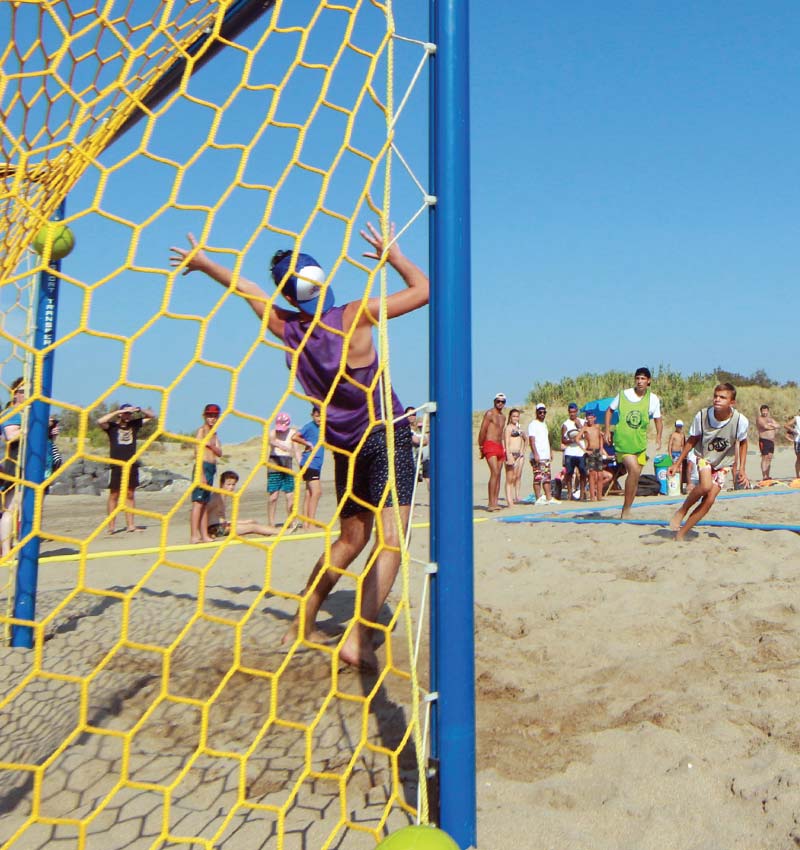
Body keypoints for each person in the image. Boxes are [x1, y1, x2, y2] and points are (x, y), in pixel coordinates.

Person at [170, 222, 428, 672]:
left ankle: (302, 622)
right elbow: (424, 290)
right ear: (322, 279)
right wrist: (395, 256)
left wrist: (206, 263)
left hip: (344, 446)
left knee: (350, 539)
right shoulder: (355, 315)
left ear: (290, 297)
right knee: (391, 541)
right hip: (386, 434)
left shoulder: (287, 328)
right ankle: (358, 639)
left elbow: (248, 288)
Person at [668, 383, 749, 541]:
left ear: (732, 403)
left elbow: (743, 442)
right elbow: (692, 440)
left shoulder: (740, 421)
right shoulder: (703, 416)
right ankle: (682, 510)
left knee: (709, 499)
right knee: (705, 486)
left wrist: (742, 469)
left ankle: (681, 533)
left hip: (724, 463)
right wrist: (677, 463)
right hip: (704, 456)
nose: (717, 400)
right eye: (716, 396)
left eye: (722, 397)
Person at [604, 367, 663, 519]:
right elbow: (609, 411)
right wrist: (607, 430)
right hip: (623, 442)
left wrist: (658, 437)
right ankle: (625, 510)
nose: (640, 381)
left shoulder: (653, 399)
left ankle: (627, 508)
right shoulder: (624, 395)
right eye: (638, 378)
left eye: (643, 378)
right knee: (634, 470)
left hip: (640, 444)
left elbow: (658, 419)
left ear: (648, 381)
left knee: (635, 476)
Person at [98, 402, 157, 534]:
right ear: (120, 414)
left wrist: (139, 409)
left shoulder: (134, 425)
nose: (128, 416)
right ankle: (111, 526)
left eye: (129, 414)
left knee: (130, 494)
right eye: (125, 413)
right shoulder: (112, 427)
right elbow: (100, 421)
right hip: (117, 464)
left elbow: (152, 416)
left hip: (131, 464)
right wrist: (116, 413)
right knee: (114, 494)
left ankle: (131, 525)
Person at [206, 470, 280, 538]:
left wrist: (243, 522)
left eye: (233, 484)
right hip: (216, 528)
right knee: (252, 527)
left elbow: (222, 519)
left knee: (251, 521)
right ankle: (280, 532)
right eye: (228, 484)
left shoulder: (223, 496)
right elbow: (204, 512)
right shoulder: (216, 497)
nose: (231, 487)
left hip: (223, 525)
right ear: (221, 484)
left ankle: (267, 531)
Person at [190, 402, 223, 543]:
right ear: (205, 416)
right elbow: (197, 452)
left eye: (214, 416)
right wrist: (201, 474)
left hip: (211, 468)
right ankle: (194, 535)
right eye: (209, 415)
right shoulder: (202, 431)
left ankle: (204, 535)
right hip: (202, 467)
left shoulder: (214, 434)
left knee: (204, 503)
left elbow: (220, 452)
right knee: (198, 503)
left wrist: (212, 446)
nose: (212, 418)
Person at [0, 378, 25, 557]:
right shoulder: (12, 412)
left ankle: (14, 545)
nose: (27, 394)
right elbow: (10, 435)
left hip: (23, 464)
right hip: (12, 464)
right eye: (23, 391)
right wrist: (29, 428)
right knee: (11, 507)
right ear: (15, 393)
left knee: (18, 508)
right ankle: (7, 550)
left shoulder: (24, 414)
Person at [292, 406, 325, 529]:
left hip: (316, 464)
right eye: (317, 416)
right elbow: (295, 436)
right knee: (317, 492)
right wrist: (307, 443)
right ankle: (311, 522)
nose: (319, 419)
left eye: (321, 416)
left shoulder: (323, 428)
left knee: (309, 493)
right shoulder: (310, 426)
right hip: (309, 462)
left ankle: (306, 523)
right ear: (312, 415)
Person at [268, 412, 300, 527]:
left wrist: (301, 463)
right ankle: (271, 523)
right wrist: (280, 445)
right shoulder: (272, 432)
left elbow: (296, 450)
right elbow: (270, 440)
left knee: (290, 494)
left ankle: (292, 520)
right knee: (273, 496)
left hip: (287, 463)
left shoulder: (293, 433)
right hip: (274, 462)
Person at [477, 393, 507, 510]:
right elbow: (483, 430)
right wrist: (481, 446)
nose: (500, 403)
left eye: (502, 401)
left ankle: (495, 502)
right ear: (494, 401)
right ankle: (490, 503)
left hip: (499, 446)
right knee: (494, 472)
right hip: (490, 444)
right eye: (498, 401)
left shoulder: (503, 417)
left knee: (498, 474)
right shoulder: (490, 414)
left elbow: (501, 433)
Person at [527, 403, 558, 504]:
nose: (542, 414)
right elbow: (531, 440)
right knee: (538, 477)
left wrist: (550, 451)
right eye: (540, 412)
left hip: (545, 456)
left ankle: (549, 497)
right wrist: (535, 454)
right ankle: (538, 498)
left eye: (544, 412)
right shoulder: (533, 424)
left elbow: (547, 439)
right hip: (538, 456)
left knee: (547, 477)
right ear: (536, 412)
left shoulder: (544, 424)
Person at [576, 411, 605, 501]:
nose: (590, 420)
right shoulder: (585, 428)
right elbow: (577, 438)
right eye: (588, 418)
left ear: (594, 418)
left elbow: (600, 437)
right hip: (590, 452)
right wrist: (584, 450)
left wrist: (601, 448)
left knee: (600, 475)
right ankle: (592, 497)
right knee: (592, 474)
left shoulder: (597, 427)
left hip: (597, 452)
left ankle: (599, 496)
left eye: (591, 418)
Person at [561, 403, 586, 501]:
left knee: (583, 472)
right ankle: (570, 493)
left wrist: (579, 427)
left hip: (580, 451)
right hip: (570, 452)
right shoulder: (565, 424)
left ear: (577, 411)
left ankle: (582, 493)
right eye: (570, 412)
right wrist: (571, 440)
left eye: (574, 412)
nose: (572, 414)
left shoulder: (582, 422)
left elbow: (586, 435)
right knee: (569, 473)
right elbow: (563, 440)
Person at [503, 408, 526, 505]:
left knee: (517, 476)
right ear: (510, 417)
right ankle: (509, 500)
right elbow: (506, 443)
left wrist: (523, 450)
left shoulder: (519, 429)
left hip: (519, 455)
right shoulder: (508, 428)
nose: (515, 418)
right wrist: (508, 455)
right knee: (510, 478)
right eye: (514, 416)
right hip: (510, 454)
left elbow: (525, 439)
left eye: (517, 416)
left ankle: (517, 496)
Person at [405, 406, 430, 492]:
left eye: (413, 414)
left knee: (430, 480)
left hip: (424, 459)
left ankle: (432, 502)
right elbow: (416, 440)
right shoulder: (405, 429)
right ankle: (411, 503)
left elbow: (427, 440)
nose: (412, 416)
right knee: (413, 484)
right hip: (413, 460)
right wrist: (421, 441)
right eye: (409, 415)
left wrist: (422, 440)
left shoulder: (420, 428)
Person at [755, 405, 779, 481]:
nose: (765, 412)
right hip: (764, 440)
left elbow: (779, 425)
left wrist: (774, 425)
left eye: (766, 411)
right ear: (761, 411)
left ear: (768, 411)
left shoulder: (770, 419)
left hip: (771, 441)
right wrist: (774, 426)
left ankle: (768, 475)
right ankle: (764, 476)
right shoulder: (760, 419)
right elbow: (765, 427)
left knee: (770, 457)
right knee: (764, 457)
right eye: (763, 411)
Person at [668, 419, 687, 491]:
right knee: (674, 468)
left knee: (681, 469)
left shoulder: (682, 435)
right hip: (674, 453)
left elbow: (683, 445)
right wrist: (670, 454)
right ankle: (673, 485)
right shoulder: (673, 435)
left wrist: (683, 454)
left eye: (680, 427)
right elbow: (670, 445)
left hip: (679, 453)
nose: (679, 428)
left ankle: (680, 486)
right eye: (678, 427)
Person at [785, 409, 800, 478]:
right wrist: (793, 430)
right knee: (799, 458)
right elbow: (786, 425)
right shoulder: (797, 418)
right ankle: (797, 476)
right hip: (798, 441)